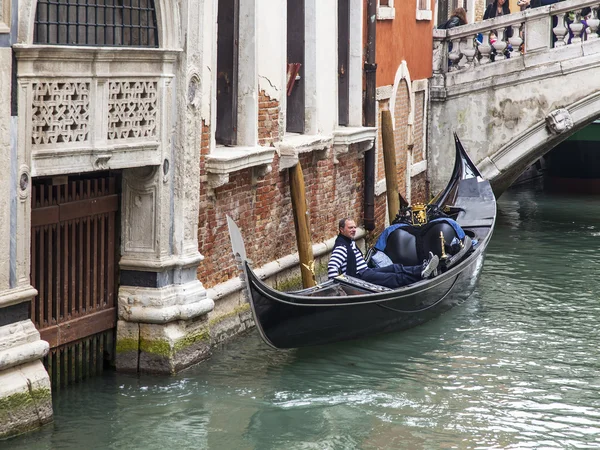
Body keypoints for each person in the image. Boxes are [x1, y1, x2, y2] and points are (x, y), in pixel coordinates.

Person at [327, 218, 439, 290]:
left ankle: (422, 269)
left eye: (355, 227)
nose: (354, 230)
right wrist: (337, 288)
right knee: (394, 277)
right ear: (341, 230)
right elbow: (332, 267)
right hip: (359, 278)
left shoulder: (349, 242)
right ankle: (422, 275)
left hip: (366, 271)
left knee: (395, 267)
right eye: (350, 228)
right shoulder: (341, 247)